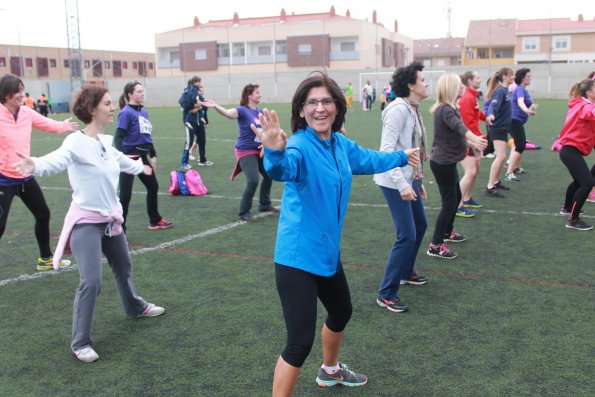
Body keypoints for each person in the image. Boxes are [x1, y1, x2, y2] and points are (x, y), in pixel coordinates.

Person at [253, 72, 420, 395]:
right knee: (299, 343)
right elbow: (282, 169)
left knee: (342, 311)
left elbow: (368, 159)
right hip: (298, 259)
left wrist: (402, 156)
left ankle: (330, 371)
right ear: (301, 110)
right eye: (311, 102)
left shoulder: (339, 144)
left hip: (327, 253)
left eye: (326, 101)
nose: (319, 108)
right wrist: (274, 152)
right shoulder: (300, 146)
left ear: (337, 107)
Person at [12, 86, 166, 363]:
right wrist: (34, 164)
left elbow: (121, 161)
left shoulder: (106, 142)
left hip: (110, 220)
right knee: (91, 281)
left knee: (123, 266)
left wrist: (142, 168)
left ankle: (133, 307)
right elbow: (56, 161)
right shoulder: (75, 142)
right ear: (92, 109)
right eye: (107, 103)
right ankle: (80, 342)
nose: (113, 107)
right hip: (86, 223)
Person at [0, 73, 78, 271]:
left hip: (25, 176)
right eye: (17, 91)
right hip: (3, 179)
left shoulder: (26, 112)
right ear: (6, 94)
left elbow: (47, 124)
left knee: (43, 214)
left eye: (22, 90)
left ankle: (46, 259)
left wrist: (64, 126)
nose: (21, 94)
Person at [374, 61, 430, 314]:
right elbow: (387, 152)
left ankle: (406, 272)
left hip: (409, 179)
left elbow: (414, 147)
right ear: (411, 84)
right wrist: (402, 184)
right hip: (394, 180)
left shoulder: (413, 108)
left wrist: (418, 179)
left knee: (421, 225)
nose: (427, 83)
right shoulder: (398, 109)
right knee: (406, 234)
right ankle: (386, 293)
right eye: (423, 79)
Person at [427, 74, 487, 259]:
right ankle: (435, 244)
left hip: (448, 161)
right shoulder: (445, 109)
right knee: (449, 203)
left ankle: (447, 232)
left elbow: (457, 135)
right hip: (442, 163)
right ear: (451, 88)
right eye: (459, 85)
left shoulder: (450, 108)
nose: (462, 87)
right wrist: (475, 139)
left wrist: (472, 145)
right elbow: (461, 129)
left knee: (456, 196)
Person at [202, 84, 277, 222]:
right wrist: (215, 106)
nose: (260, 95)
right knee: (253, 180)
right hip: (245, 150)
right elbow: (228, 114)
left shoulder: (260, 112)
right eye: (257, 93)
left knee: (269, 175)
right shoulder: (242, 110)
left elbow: (267, 130)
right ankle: (244, 212)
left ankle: (264, 204)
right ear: (249, 95)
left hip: (260, 150)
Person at [115, 81, 173, 231]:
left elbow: (146, 135)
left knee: (153, 186)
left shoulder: (143, 112)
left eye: (142, 91)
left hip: (142, 157)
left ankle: (155, 220)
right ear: (130, 94)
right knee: (125, 196)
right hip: (129, 158)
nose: (142, 94)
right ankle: (120, 230)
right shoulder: (126, 112)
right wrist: (124, 158)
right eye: (139, 91)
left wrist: (153, 154)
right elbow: (118, 137)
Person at [557, 78, 595, 230]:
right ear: (589, 92)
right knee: (587, 183)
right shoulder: (584, 106)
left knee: (580, 181)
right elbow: (591, 113)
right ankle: (573, 220)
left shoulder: (584, 104)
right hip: (570, 151)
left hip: (571, 150)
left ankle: (566, 208)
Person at [457, 71, 488, 218]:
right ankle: (458, 205)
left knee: (475, 169)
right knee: (470, 172)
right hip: (467, 141)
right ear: (469, 81)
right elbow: (467, 123)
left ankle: (467, 198)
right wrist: (476, 140)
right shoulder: (467, 98)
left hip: (473, 139)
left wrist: (486, 118)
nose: (480, 80)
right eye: (477, 77)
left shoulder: (472, 96)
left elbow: (477, 114)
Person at [484, 68, 514, 198]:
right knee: (501, 156)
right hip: (497, 128)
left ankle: (495, 181)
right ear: (505, 77)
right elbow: (493, 105)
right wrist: (490, 114)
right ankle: (490, 186)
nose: (513, 77)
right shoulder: (500, 91)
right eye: (511, 75)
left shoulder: (505, 91)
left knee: (502, 156)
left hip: (502, 128)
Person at [505, 68, 537, 182]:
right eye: (528, 76)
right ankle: (509, 173)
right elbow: (520, 102)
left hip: (517, 121)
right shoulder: (519, 89)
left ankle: (516, 168)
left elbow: (525, 104)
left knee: (520, 144)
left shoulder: (523, 90)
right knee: (520, 145)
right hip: (513, 121)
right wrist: (527, 110)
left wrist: (531, 107)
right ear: (522, 78)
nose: (530, 78)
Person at [181, 76, 202, 169]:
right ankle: (184, 162)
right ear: (195, 82)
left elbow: (201, 101)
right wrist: (195, 106)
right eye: (199, 82)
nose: (201, 84)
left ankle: (202, 159)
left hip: (194, 120)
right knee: (189, 141)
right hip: (188, 120)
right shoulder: (191, 90)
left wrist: (199, 106)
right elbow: (184, 103)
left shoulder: (193, 90)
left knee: (197, 139)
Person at [188, 85, 212, 166]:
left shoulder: (202, 99)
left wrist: (206, 122)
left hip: (200, 122)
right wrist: (199, 106)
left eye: (202, 90)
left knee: (201, 140)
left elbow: (204, 113)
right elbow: (193, 111)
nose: (201, 91)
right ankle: (187, 155)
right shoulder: (193, 99)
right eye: (200, 90)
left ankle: (202, 159)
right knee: (191, 140)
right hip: (192, 122)